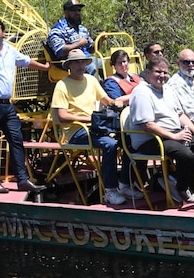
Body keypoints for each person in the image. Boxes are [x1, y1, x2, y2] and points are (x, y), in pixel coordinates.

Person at [0, 19, 50, 193]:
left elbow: (26, 61)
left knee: (16, 140)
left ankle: (23, 180)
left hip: (7, 104)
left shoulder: (10, 50)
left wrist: (45, 68)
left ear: (3, 32)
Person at [51, 48, 134, 205]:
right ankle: (110, 191)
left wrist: (118, 102)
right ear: (69, 65)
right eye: (76, 63)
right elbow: (62, 116)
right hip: (75, 132)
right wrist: (88, 119)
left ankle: (125, 184)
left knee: (128, 138)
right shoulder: (62, 85)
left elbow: (107, 100)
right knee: (109, 144)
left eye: (82, 62)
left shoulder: (91, 80)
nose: (80, 66)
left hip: (94, 127)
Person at [125, 56, 194, 204]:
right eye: (158, 72)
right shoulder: (142, 92)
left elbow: (180, 114)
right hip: (150, 139)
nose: (162, 76)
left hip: (172, 133)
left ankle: (169, 177)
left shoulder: (168, 89)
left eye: (165, 72)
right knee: (185, 154)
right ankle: (182, 188)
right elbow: (147, 125)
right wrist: (175, 137)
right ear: (148, 73)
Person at [47, 0, 95, 73]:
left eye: (79, 10)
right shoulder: (58, 29)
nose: (77, 12)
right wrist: (79, 44)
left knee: (105, 63)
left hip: (86, 58)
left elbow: (90, 49)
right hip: (71, 62)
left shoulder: (82, 29)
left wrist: (100, 41)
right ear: (66, 12)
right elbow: (60, 51)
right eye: (74, 10)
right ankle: (97, 84)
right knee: (92, 67)